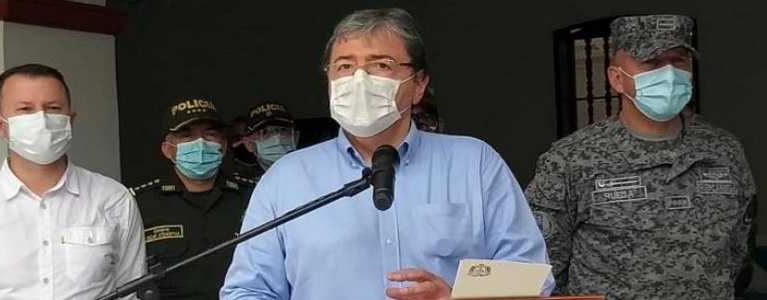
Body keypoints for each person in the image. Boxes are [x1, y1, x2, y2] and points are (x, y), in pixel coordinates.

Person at [222, 8, 554, 300]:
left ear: (419, 84)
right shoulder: (287, 178)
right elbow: (247, 291)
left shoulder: (475, 163)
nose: (359, 79)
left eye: (381, 64)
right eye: (344, 66)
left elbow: (529, 276)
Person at [525, 15, 757, 300]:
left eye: (679, 60)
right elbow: (541, 267)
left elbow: (739, 251)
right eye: (652, 63)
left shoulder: (724, 150)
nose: (669, 73)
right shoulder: (571, 159)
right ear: (617, 78)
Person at [0, 63, 147, 299]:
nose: (41, 119)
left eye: (53, 108)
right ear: (0, 126)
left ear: (70, 121)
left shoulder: (113, 199)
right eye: (25, 109)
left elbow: (132, 290)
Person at [131, 97, 249, 299]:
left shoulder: (252, 196)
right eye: (187, 136)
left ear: (224, 145)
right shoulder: (138, 203)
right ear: (168, 150)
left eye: (210, 134)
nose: (200, 143)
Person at [233, 101, 298, 187]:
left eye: (283, 130)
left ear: (296, 137)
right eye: (265, 132)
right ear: (249, 144)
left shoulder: (314, 171)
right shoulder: (241, 186)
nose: (277, 137)